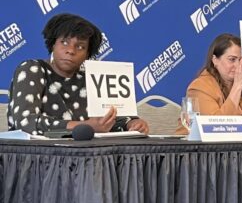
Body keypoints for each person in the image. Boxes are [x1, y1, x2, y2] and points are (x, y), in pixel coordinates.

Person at [7, 13, 149, 135]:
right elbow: (25, 123)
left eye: (80, 46)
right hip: (38, 157)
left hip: (87, 156)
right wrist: (85, 126)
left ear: (87, 54)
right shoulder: (32, 69)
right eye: (64, 42)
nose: (71, 50)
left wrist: (133, 123)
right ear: (52, 45)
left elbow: (114, 119)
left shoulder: (90, 78)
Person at [175, 33, 242, 135]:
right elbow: (218, 129)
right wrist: (237, 87)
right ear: (215, 60)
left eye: (241, 60)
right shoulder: (199, 87)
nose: (237, 65)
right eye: (232, 59)